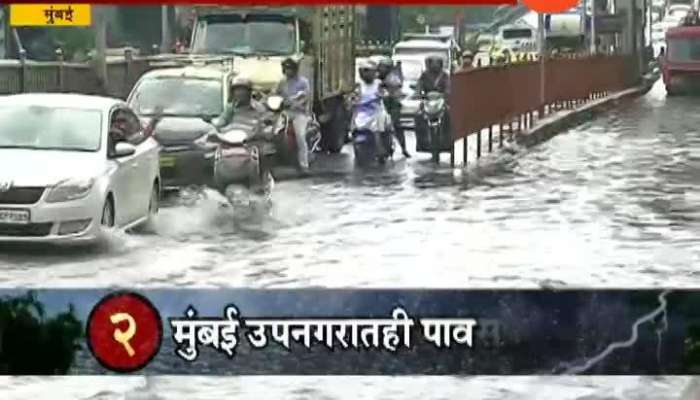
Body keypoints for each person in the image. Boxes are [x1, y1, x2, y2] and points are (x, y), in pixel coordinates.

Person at [275, 57, 312, 174]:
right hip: (285, 112)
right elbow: (275, 93)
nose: (287, 71)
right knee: (273, 131)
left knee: (300, 137)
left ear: (295, 69)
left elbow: (305, 97)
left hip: (299, 113)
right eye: (285, 69)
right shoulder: (282, 82)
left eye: (290, 69)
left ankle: (304, 165)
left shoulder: (303, 82)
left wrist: (296, 102)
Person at [353, 59, 392, 160]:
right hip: (362, 112)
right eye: (363, 71)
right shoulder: (358, 85)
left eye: (368, 71)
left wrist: (383, 95)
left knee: (379, 119)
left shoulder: (378, 84)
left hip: (377, 110)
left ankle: (380, 147)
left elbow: (384, 92)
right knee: (353, 121)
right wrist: (352, 100)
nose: (365, 74)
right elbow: (354, 96)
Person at [414, 56, 451, 153]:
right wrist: (417, 93)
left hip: (441, 101)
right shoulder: (424, 75)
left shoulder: (445, 76)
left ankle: (448, 141)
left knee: (450, 114)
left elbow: (448, 87)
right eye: (433, 64)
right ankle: (421, 141)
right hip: (427, 101)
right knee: (418, 115)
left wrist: (447, 93)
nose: (435, 66)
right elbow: (419, 86)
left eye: (437, 64)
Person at [376, 56, 410, 158]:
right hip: (378, 106)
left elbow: (396, 87)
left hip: (392, 105)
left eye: (385, 67)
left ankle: (404, 149)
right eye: (381, 67)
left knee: (397, 126)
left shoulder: (393, 77)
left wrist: (387, 87)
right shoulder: (375, 78)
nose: (382, 69)